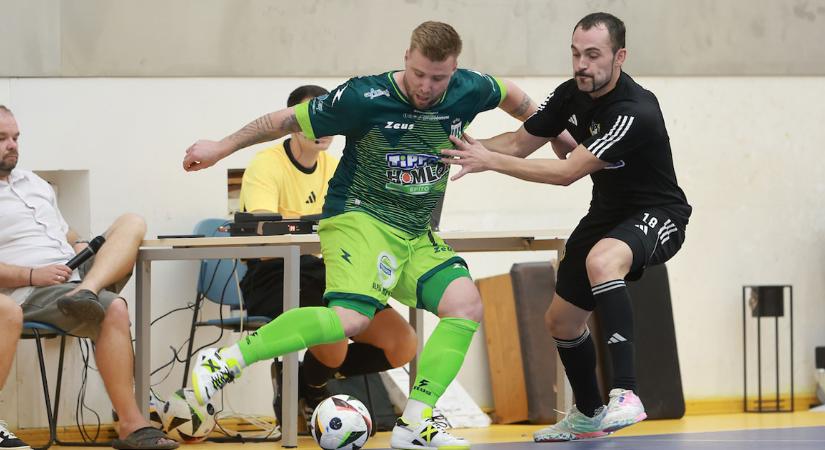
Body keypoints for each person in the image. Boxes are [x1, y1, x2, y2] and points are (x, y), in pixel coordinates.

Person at [182, 21, 537, 449]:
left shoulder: (471, 88)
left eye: (437, 78)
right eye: (419, 74)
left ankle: (415, 423)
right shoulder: (364, 96)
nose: (425, 86)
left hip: (414, 230)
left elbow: (518, 100)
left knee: (464, 304)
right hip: (358, 218)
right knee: (351, 319)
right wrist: (220, 147)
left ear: (454, 70)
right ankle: (225, 360)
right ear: (406, 57)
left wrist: (558, 133)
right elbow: (281, 120)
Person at [441, 12, 691, 442]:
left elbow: (566, 173)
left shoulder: (634, 111)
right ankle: (589, 414)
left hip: (659, 213)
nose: (581, 65)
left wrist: (491, 162)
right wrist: (460, 150)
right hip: (607, 213)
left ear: (620, 57)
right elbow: (519, 143)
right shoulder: (569, 95)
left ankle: (626, 394)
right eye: (576, 54)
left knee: (602, 260)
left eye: (593, 55)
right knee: (561, 321)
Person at [238, 84, 418, 426]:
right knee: (333, 338)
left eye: (329, 119)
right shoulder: (266, 164)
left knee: (403, 343)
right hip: (275, 274)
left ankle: (309, 380)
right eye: (313, 119)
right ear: (293, 124)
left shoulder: (338, 166)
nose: (323, 129)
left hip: (327, 270)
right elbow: (265, 230)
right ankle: (314, 387)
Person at [0, 105, 178, 450]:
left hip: (73, 273)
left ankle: (88, 289)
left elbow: (60, 230)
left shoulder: (33, 182)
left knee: (132, 221)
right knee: (115, 309)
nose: (12, 145)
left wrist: (79, 242)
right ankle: (133, 423)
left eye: (16, 137)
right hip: (31, 290)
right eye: (2, 139)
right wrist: (33, 274)